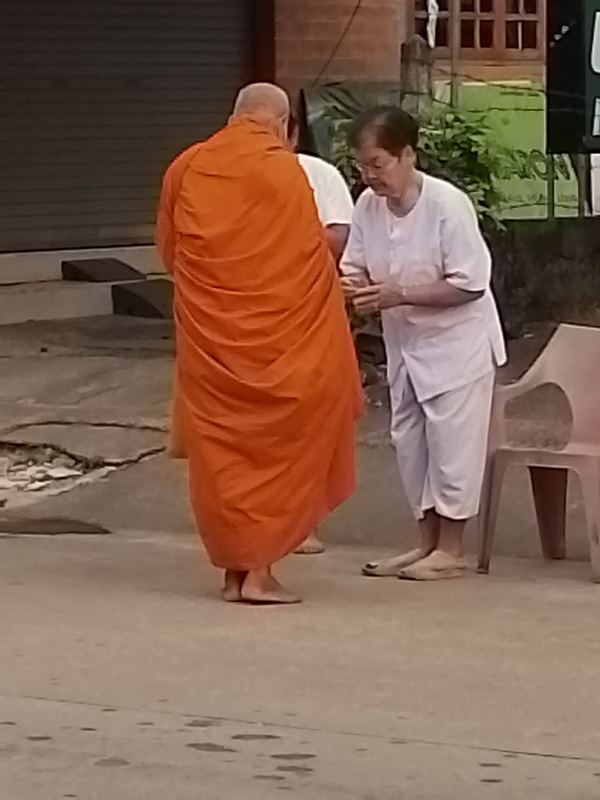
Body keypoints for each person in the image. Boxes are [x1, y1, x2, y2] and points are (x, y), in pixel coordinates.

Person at [157, 83, 362, 604]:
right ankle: (259, 573)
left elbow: (170, 252)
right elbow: (310, 256)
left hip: (212, 344)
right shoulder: (284, 171)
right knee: (277, 447)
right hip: (279, 341)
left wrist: (218, 298)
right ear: (282, 124)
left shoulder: (187, 166)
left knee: (223, 456)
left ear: (233, 117)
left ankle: (236, 573)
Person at [341, 106, 506, 581]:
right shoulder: (367, 205)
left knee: (453, 446)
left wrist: (400, 294)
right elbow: (353, 265)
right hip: (405, 344)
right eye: (362, 166)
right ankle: (426, 543)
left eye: (378, 164)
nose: (371, 176)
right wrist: (354, 288)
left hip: (457, 347)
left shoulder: (447, 205)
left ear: (407, 155)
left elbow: (469, 284)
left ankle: (451, 549)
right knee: (411, 444)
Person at [287, 115, 355, 556]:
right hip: (250, 313)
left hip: (309, 310)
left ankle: (306, 522)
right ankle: (261, 523)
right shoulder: (228, 178)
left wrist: (283, 245)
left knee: (309, 417)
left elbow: (338, 235)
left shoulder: (318, 174)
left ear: (291, 134)